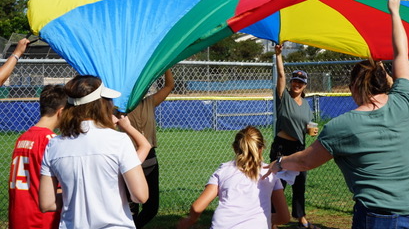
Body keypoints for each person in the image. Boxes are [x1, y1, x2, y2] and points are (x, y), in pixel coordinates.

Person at [263, 0, 409, 228]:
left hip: (379, 218)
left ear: (355, 86)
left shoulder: (343, 126)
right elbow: (401, 53)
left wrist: (278, 164)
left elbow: (304, 162)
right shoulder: (406, 99)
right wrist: (395, 12)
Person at [39, 75, 151, 229]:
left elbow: (47, 203)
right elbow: (140, 195)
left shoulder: (54, 145)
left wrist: (76, 196)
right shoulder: (118, 140)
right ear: (100, 105)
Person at [176, 125, 290, 229]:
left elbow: (197, 208)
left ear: (235, 148)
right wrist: (265, 219)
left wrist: (190, 219)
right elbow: (284, 217)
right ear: (261, 149)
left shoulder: (223, 170)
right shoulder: (271, 174)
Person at [270, 43, 318, 229]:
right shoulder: (284, 98)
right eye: (295, 81)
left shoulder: (306, 105)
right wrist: (278, 55)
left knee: (300, 184)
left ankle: (301, 218)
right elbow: (280, 75)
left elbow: (308, 126)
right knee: (278, 183)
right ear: (291, 83)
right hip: (282, 147)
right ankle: (273, 219)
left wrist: (310, 131)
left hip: (299, 147)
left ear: (305, 85)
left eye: (301, 82)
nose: (297, 84)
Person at [8, 84, 67, 229]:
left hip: (18, 218)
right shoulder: (52, 141)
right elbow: (60, 188)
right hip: (41, 220)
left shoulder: (23, 137)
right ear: (61, 112)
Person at [127, 69, 174, 228]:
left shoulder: (149, 102)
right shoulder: (120, 106)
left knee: (151, 207)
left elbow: (169, 86)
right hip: (129, 158)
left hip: (149, 159)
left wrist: (166, 66)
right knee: (131, 205)